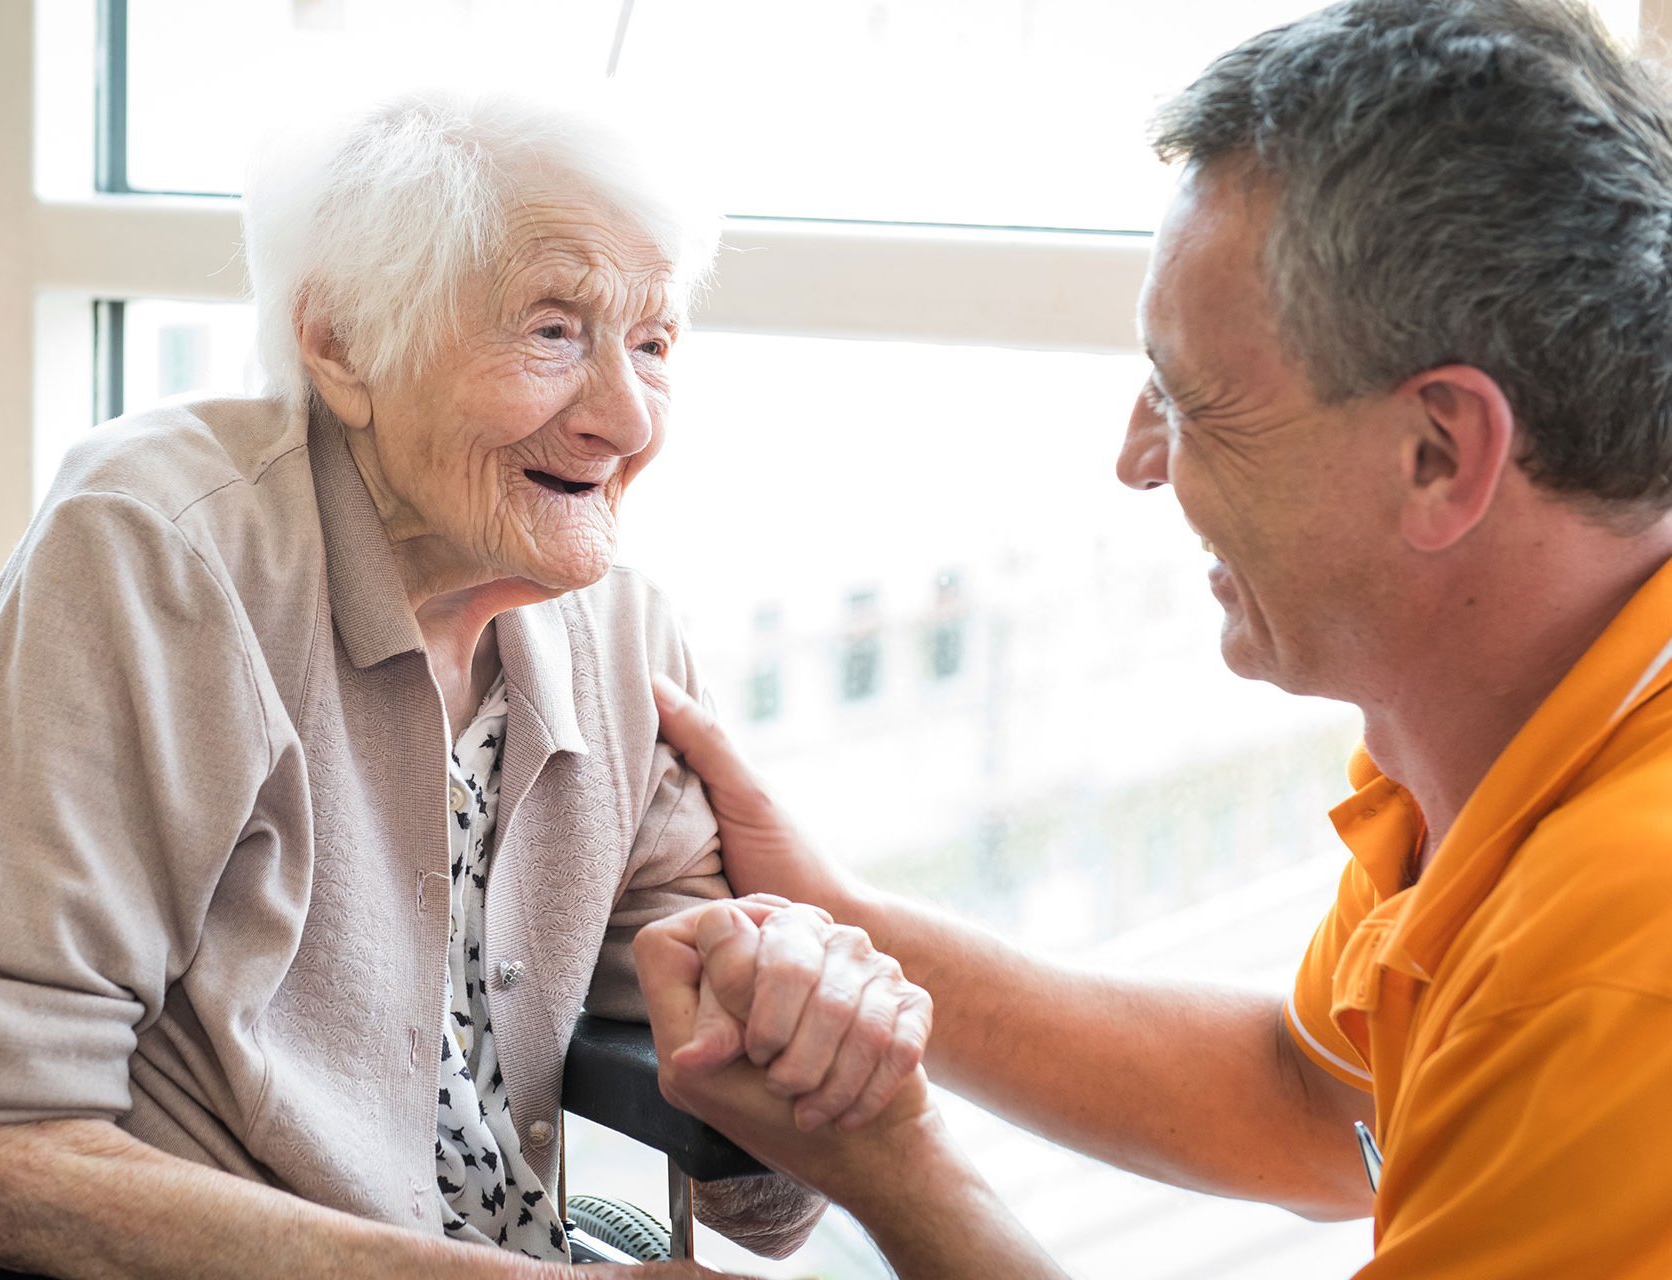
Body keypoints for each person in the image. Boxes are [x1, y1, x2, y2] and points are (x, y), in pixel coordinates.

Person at [632, 1, 1672, 1276]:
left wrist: (896, 1164)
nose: (1134, 460)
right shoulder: (1502, 720)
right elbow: (1309, 1102)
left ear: (1437, 454)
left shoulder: (1618, 961)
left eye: (1188, 399)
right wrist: (839, 916)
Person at [0, 90, 929, 1279]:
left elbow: (753, 1198)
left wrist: (805, 1031)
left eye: (652, 341)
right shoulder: (161, 549)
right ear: (342, 344)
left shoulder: (621, 629)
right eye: (551, 331)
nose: (626, 422)